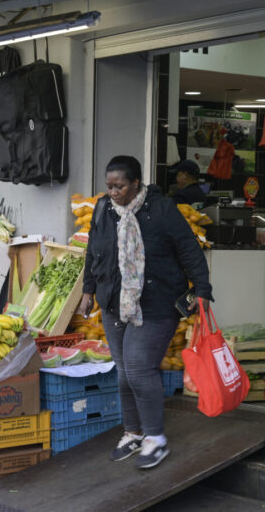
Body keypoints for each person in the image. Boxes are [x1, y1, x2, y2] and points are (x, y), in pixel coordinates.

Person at [77, 156, 212, 469]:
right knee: (125, 371)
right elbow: (92, 253)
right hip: (113, 300)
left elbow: (190, 251)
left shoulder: (162, 209)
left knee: (138, 366)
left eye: (119, 186)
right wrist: (87, 291)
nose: (113, 192)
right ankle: (133, 432)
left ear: (136, 183)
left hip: (157, 301)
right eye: (109, 186)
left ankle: (156, 439)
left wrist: (202, 291)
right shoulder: (102, 209)